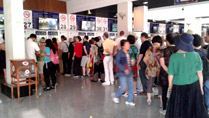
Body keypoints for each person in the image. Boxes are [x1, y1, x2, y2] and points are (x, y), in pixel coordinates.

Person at [165, 33, 209, 118]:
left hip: (178, 86)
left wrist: (170, 87)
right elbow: (200, 74)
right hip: (194, 86)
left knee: (179, 109)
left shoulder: (174, 57)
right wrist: (200, 87)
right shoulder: (196, 55)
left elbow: (170, 75)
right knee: (193, 109)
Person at [112, 40, 135, 106]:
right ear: (123, 46)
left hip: (129, 72)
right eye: (127, 44)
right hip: (122, 73)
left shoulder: (129, 52)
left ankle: (129, 100)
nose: (129, 45)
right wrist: (124, 69)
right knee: (123, 87)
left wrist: (132, 63)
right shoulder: (119, 53)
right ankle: (116, 95)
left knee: (131, 87)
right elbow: (117, 63)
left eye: (129, 44)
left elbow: (129, 62)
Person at [159, 33, 177, 115]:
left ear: (167, 41)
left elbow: (162, 64)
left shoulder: (164, 51)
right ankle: (174, 107)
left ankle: (164, 108)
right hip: (177, 74)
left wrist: (169, 71)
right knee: (175, 91)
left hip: (165, 74)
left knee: (164, 90)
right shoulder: (178, 50)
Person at [143, 36, 163, 106]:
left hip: (151, 70)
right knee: (160, 86)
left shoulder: (149, 49)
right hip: (159, 70)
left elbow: (145, 60)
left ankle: (149, 99)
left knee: (150, 84)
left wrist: (149, 65)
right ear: (160, 42)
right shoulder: (162, 50)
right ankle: (161, 101)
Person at [193, 34, 209, 114]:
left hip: (197, 77)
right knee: (206, 94)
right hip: (206, 76)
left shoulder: (193, 54)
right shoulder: (204, 51)